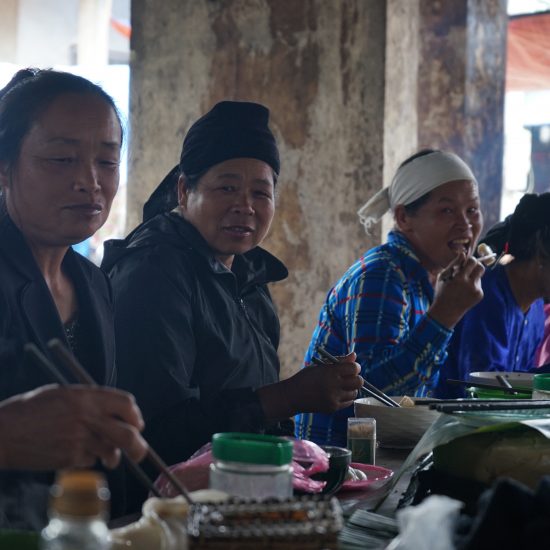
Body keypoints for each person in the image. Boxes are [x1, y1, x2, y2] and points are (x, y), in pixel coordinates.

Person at [102, 100, 363, 512]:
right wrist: (289, 396)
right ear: (185, 191)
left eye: (261, 192)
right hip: (168, 514)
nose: (246, 205)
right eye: (226, 188)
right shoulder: (153, 273)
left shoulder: (248, 276)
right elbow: (156, 433)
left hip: (242, 504)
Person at [0, 69, 147, 530]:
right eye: (62, 159)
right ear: (4, 167)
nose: (90, 181)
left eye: (107, 162)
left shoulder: (92, 280)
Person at [296, 149, 486, 446]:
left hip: (385, 455)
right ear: (403, 218)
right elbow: (373, 400)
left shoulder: (426, 279)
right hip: (340, 466)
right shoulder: (383, 275)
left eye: (472, 210)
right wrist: (445, 316)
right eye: (446, 211)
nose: (466, 225)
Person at [436, 193, 550, 398]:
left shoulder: (536, 311)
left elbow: (516, 384)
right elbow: (481, 390)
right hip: (452, 425)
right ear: (541, 254)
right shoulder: (484, 295)